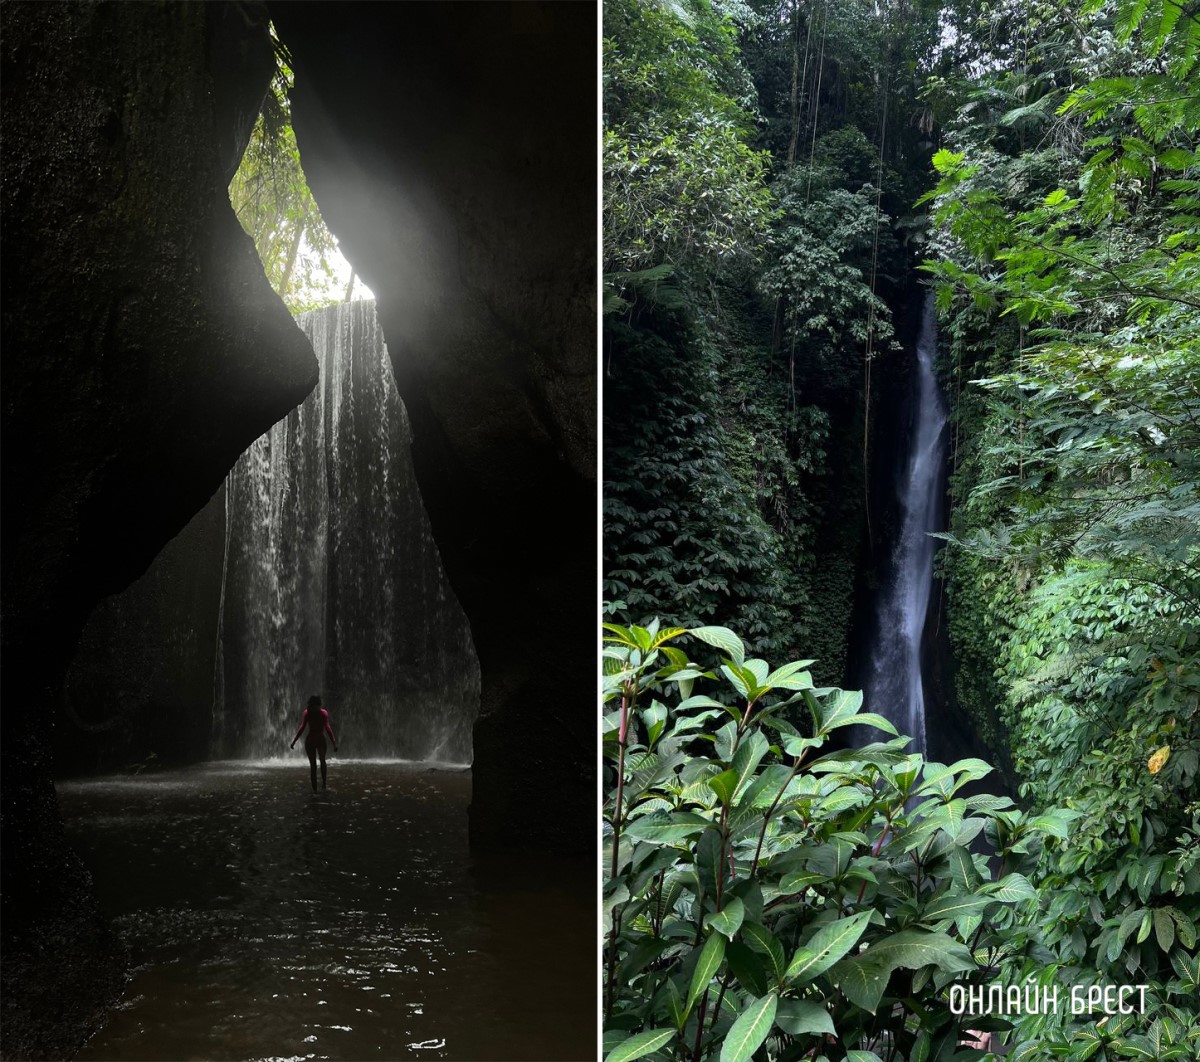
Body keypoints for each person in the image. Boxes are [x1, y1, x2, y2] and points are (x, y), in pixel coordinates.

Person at [290, 694, 338, 792]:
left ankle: (324, 784)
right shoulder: (308, 713)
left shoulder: (322, 713)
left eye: (315, 706)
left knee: (322, 761)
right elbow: (302, 727)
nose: (314, 708)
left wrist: (333, 742)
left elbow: (328, 728)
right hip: (312, 740)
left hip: (319, 740)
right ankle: (315, 789)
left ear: (318, 705)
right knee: (313, 765)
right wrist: (294, 741)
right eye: (313, 706)